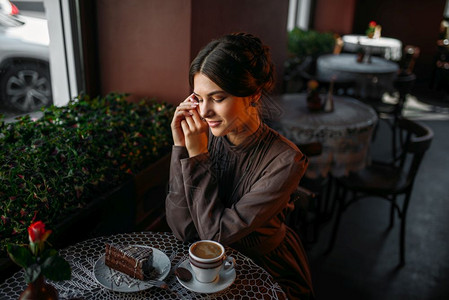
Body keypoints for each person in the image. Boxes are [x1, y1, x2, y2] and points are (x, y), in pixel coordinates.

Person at [165, 32, 315, 299]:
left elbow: (215, 235)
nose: (203, 111)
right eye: (198, 98)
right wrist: (180, 148)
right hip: (205, 271)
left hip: (264, 271)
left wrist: (197, 155)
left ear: (253, 94)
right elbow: (181, 228)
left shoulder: (286, 161)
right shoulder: (202, 136)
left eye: (218, 98)